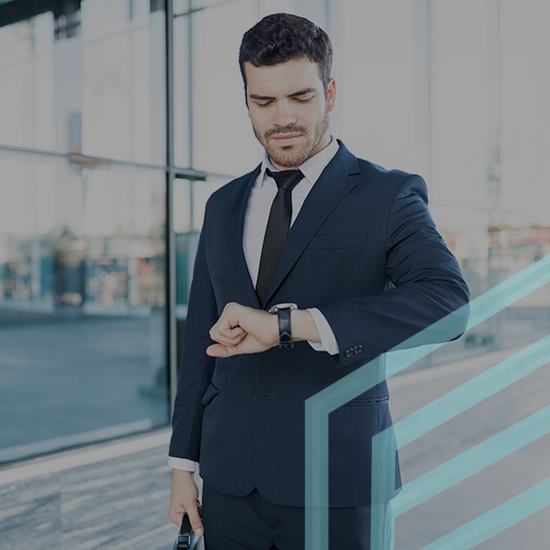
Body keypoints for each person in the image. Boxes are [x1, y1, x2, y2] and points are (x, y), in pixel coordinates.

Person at [168, 12, 469, 550]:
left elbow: (447, 304)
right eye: (263, 102)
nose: (282, 117)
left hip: (339, 480)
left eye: (300, 98)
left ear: (330, 92)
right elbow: (199, 346)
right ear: (246, 101)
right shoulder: (221, 206)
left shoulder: (388, 196)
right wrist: (182, 466)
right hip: (229, 484)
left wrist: (289, 325)